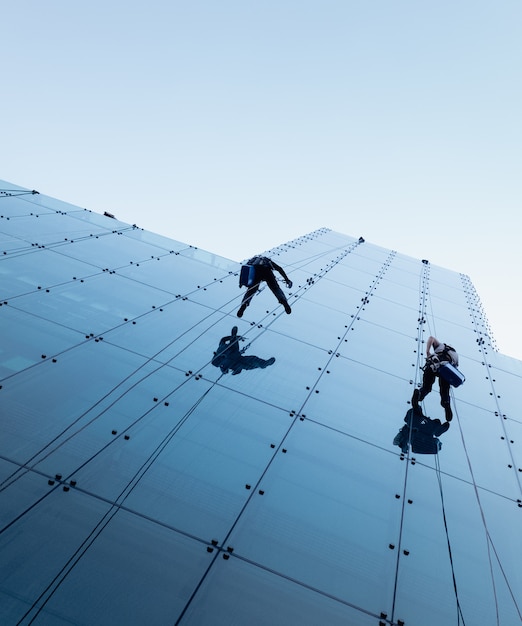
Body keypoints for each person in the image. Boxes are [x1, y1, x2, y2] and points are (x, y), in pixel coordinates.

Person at [412, 336, 458, 421]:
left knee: (426, 387)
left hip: (434, 363)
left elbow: (431, 338)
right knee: (444, 390)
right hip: (446, 369)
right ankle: (446, 403)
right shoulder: (455, 356)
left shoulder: (441, 346)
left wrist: (428, 352)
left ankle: (419, 395)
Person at [211, 326, 276, 375]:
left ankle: (264, 364)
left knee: (251, 361)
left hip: (234, 359)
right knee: (250, 362)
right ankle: (264, 364)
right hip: (235, 362)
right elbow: (223, 340)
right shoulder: (223, 347)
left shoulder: (226, 346)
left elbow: (223, 339)